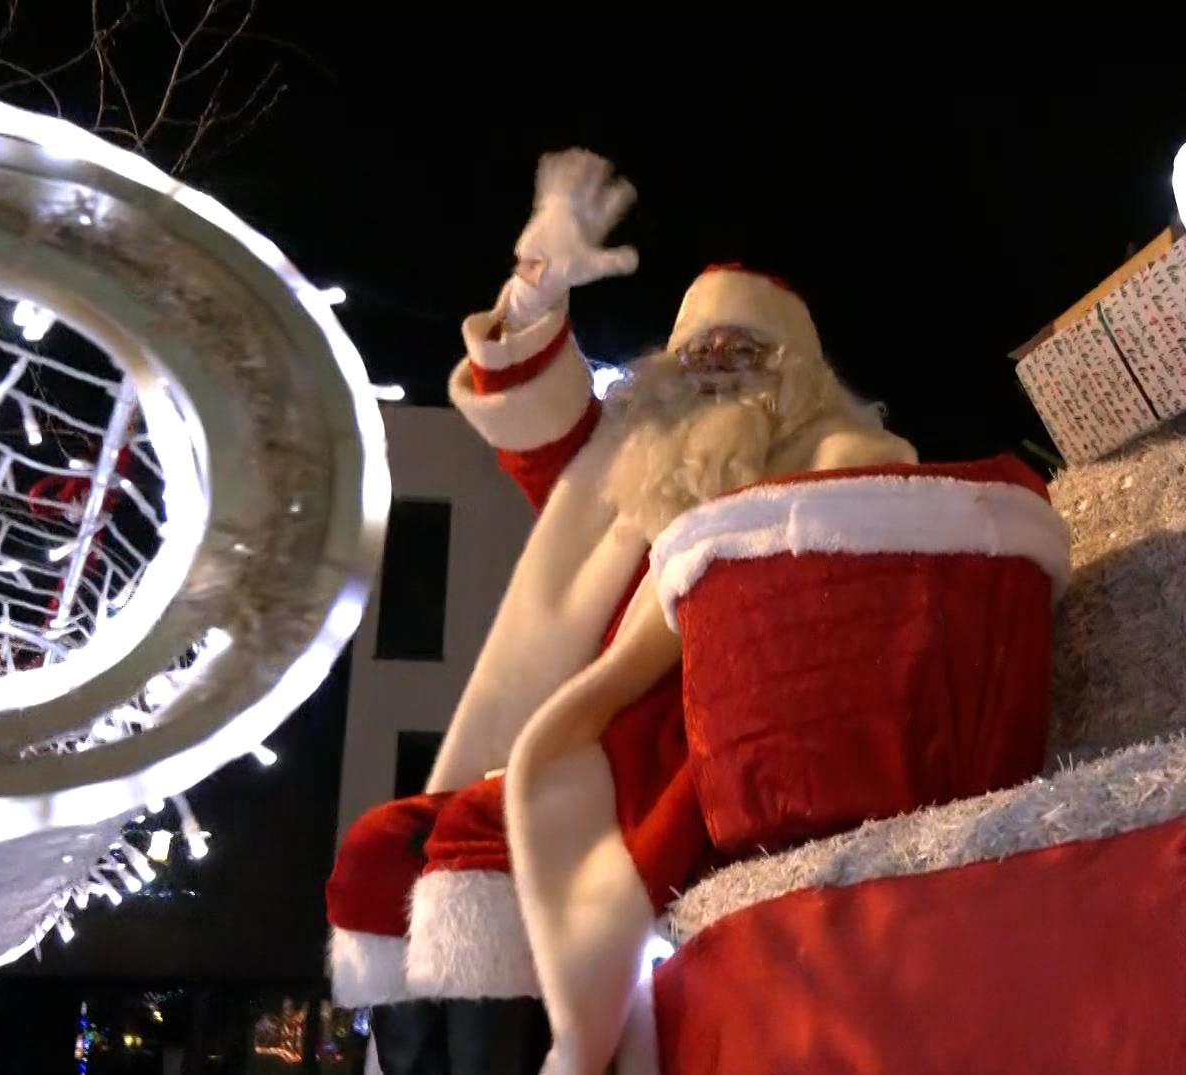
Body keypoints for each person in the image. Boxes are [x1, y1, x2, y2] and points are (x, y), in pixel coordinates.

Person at [323, 149, 917, 1075]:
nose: (714, 372)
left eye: (742, 354)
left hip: (684, 745)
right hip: (568, 738)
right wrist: (534, 289)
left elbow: (876, 533)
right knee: (381, 846)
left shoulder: (831, 458)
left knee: (482, 840)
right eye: (697, 353)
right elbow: (534, 418)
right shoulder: (628, 466)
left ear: (796, 375)